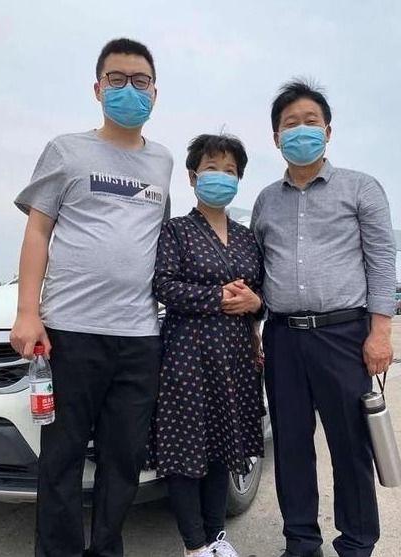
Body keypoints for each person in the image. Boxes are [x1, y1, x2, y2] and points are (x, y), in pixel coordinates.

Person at [10, 38, 173, 557]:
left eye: (140, 81)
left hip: (140, 336)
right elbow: (38, 231)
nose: (129, 89)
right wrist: (27, 312)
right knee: (60, 459)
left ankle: (107, 549)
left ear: (155, 92)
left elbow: (157, 240)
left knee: (123, 459)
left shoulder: (163, 162)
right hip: (71, 332)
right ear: (98, 88)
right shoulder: (66, 150)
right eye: (117, 79)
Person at [251, 80, 396, 557]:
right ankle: (301, 541)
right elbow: (258, 270)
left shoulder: (360, 188)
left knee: (351, 445)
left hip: (344, 335)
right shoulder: (266, 201)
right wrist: (255, 331)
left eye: (310, 122)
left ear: (328, 131)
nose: (301, 131)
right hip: (283, 338)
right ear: (276, 137)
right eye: (290, 124)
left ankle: (356, 543)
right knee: (291, 446)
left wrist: (380, 332)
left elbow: (381, 262)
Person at [152, 134, 265, 557]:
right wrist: (216, 297)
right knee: (186, 446)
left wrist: (256, 305)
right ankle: (194, 544)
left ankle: (217, 536)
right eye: (212, 168)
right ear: (192, 176)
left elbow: (261, 292)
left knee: (223, 444)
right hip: (188, 354)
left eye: (230, 171)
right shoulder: (176, 231)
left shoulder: (247, 237)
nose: (221, 176)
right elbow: (163, 286)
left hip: (235, 356)